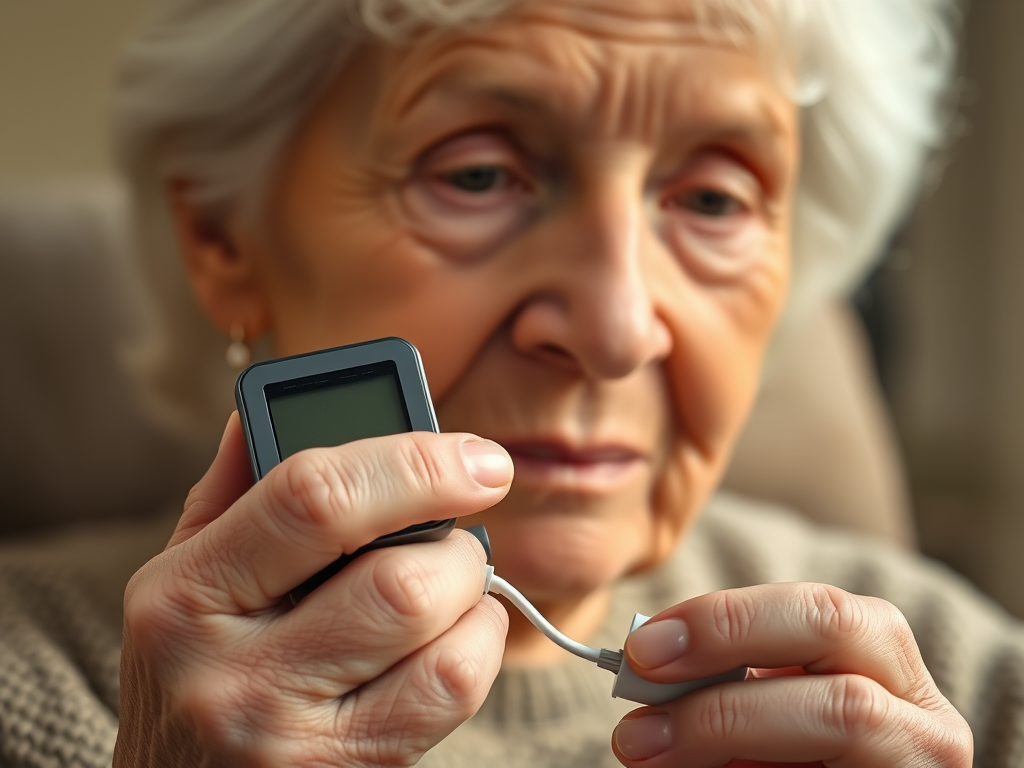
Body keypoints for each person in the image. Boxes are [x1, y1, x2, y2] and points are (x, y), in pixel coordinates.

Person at [2, 0, 1023, 766]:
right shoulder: (31, 687)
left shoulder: (961, 678)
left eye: (712, 199)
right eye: (478, 176)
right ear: (225, 238)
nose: (616, 331)